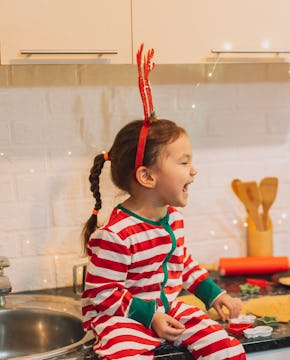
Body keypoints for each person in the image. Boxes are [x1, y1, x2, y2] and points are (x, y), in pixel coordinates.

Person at [80, 44, 246, 360]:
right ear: (147, 176)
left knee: (228, 350)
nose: (193, 170)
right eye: (183, 162)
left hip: (167, 309)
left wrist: (214, 295)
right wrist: (150, 316)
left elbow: (182, 264)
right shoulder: (116, 235)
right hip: (121, 319)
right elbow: (103, 293)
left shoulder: (172, 219)